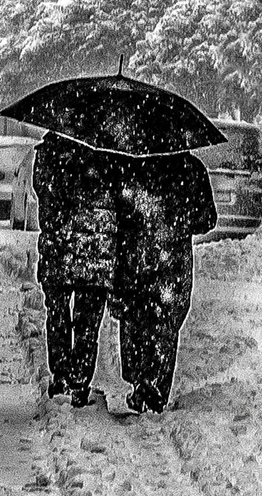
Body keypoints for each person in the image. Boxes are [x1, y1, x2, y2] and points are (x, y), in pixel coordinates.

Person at [111, 150, 217, 413]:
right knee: (166, 322)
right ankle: (155, 385)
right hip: (173, 260)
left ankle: (139, 378)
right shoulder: (191, 169)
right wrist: (179, 221)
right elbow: (207, 219)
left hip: (137, 256)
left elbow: (119, 210)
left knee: (136, 317)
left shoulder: (134, 165)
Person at [31, 131, 121, 407]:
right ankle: (80, 380)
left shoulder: (49, 154)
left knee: (57, 314)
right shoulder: (109, 154)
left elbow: (44, 196)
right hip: (95, 254)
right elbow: (118, 199)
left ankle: (61, 376)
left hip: (60, 249)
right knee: (87, 323)